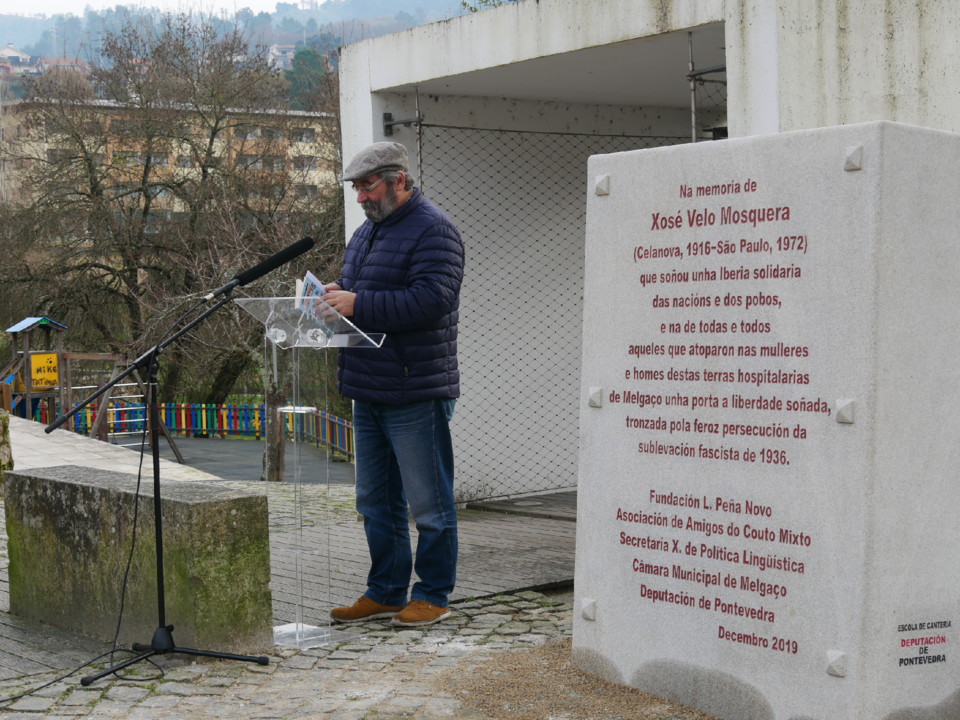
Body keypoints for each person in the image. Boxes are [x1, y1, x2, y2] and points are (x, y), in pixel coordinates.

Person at [323, 142, 464, 627]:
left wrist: (358, 303)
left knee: (429, 503)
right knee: (375, 502)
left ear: (398, 180)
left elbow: (431, 301)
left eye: (368, 185)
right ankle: (384, 591)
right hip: (369, 386)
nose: (361, 197)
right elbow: (360, 296)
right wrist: (331, 300)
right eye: (356, 188)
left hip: (415, 389)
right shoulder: (366, 234)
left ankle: (433, 594)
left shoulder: (435, 230)